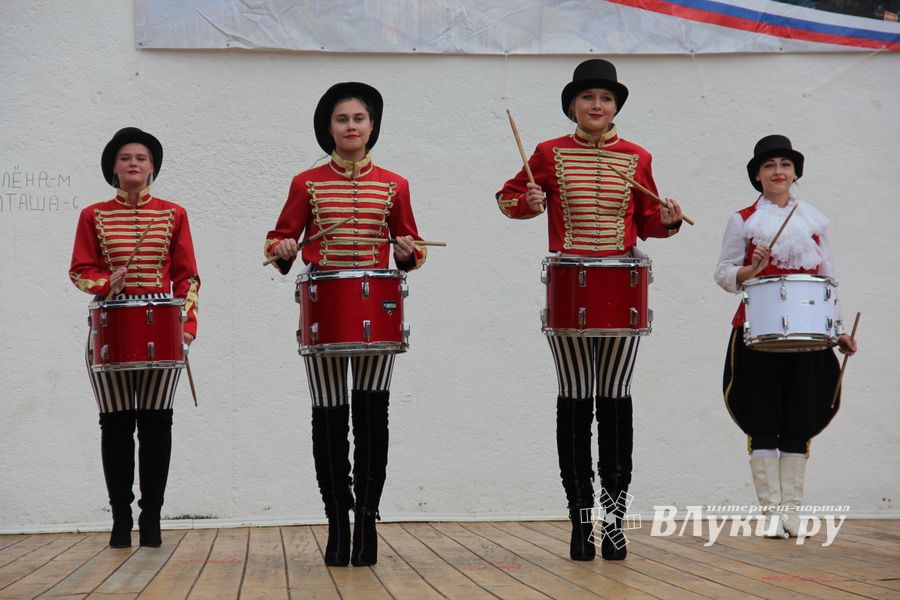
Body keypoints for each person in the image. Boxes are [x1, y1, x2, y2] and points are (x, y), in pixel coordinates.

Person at [496, 59, 683, 561]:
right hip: (569, 292)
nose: (596, 106)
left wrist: (668, 222)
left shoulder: (637, 157)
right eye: (587, 98)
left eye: (604, 98)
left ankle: (615, 522)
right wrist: (530, 203)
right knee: (577, 399)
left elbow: (648, 223)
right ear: (573, 106)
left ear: (615, 105)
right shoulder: (549, 153)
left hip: (622, 288)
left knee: (616, 398)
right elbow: (507, 198)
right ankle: (581, 523)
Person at [265, 82, 426, 567]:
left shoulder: (395, 184)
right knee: (331, 417)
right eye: (342, 120)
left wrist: (407, 253)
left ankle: (368, 522)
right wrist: (283, 250)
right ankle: (337, 519)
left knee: (372, 417)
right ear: (329, 129)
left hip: (377, 310)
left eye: (359, 118)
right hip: (325, 311)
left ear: (372, 125)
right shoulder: (306, 183)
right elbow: (278, 238)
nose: (351, 127)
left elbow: (412, 243)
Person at [714, 134, 857, 538]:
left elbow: (827, 279)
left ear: (795, 173)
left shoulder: (814, 220)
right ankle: (771, 513)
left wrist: (840, 331)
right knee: (762, 417)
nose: (778, 172)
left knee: (798, 416)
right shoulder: (742, 219)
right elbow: (724, 274)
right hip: (757, 331)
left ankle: (793, 511)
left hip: (810, 334)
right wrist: (749, 271)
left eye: (785, 165)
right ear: (758, 176)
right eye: (769, 165)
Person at [69, 127, 200, 548]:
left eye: (141, 158)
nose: (133, 164)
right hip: (112, 332)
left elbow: (187, 277)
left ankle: (153, 518)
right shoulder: (93, 215)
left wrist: (188, 325)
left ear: (152, 167)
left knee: (158, 424)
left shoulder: (173, 214)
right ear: (113, 166)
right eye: (125, 157)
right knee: (116, 425)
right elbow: (79, 270)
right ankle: (121, 518)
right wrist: (107, 281)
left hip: (162, 331)